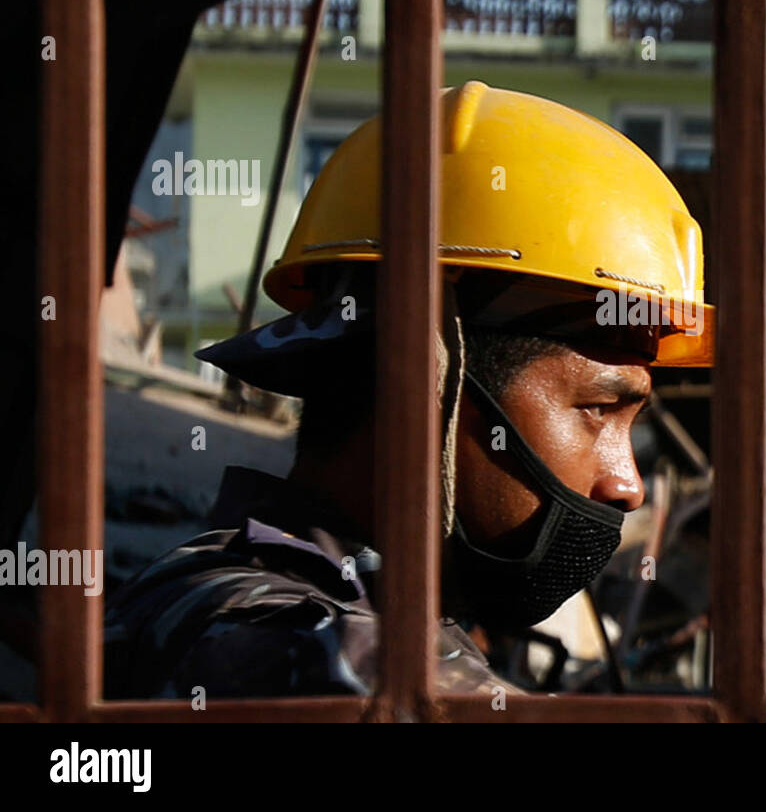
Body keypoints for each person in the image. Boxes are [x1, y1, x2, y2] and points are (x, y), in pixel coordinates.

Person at [103, 81, 714, 698]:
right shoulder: (304, 649)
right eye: (598, 409)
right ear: (423, 385)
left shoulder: (298, 599)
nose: (628, 483)